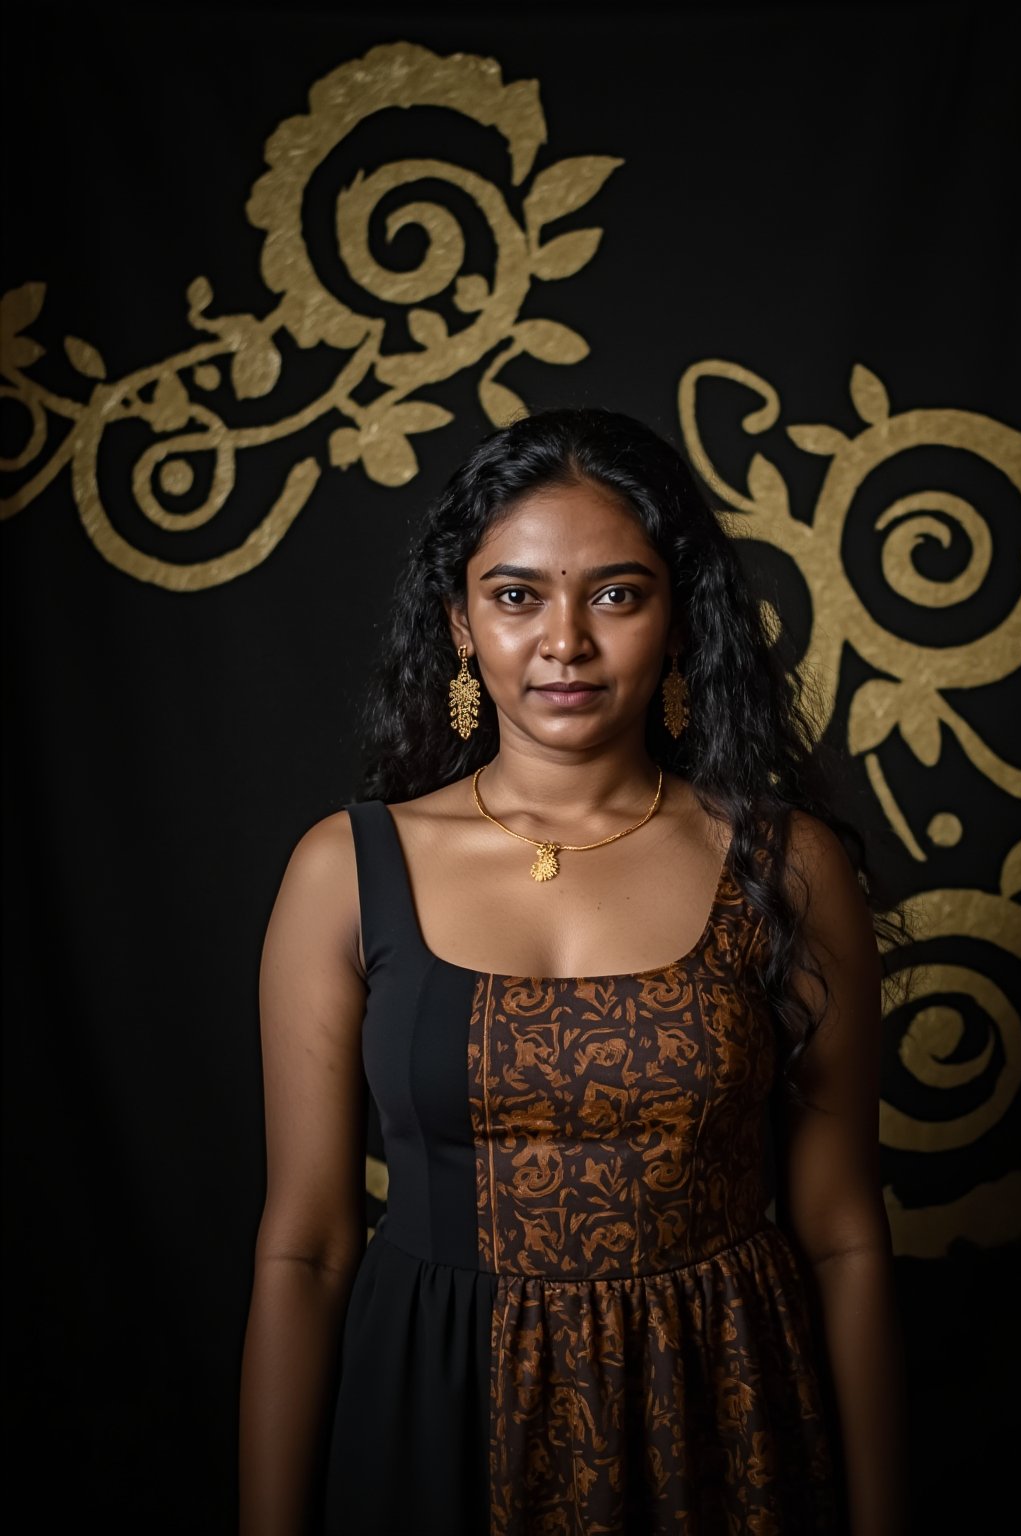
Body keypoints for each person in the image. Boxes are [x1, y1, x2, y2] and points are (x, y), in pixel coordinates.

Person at [238, 406, 909, 1535]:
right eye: (516, 596)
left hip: (720, 1412)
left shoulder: (782, 866)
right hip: (431, 1412)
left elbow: (842, 1231)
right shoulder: (345, 871)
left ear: (679, 622)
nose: (564, 642)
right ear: (460, 622)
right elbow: (304, 1248)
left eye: (614, 594)